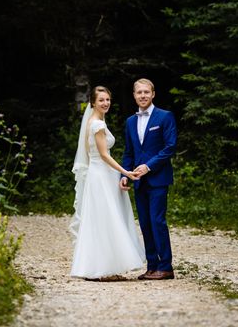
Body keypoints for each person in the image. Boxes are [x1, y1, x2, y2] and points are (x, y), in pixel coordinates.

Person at [70, 86, 145, 280]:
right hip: (102, 174)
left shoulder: (92, 121)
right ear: (93, 102)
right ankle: (102, 270)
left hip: (98, 174)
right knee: (107, 218)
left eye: (108, 100)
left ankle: (100, 268)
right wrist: (125, 171)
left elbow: (91, 154)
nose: (105, 103)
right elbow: (103, 154)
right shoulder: (97, 125)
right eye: (101, 100)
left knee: (101, 219)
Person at [121, 78, 177, 280]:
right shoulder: (130, 122)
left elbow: (169, 147)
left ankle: (166, 266)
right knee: (144, 222)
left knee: (157, 221)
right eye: (139, 92)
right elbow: (129, 151)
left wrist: (148, 166)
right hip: (138, 180)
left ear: (153, 94)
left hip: (158, 178)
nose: (143, 96)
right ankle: (152, 266)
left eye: (146, 92)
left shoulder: (165, 117)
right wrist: (124, 174)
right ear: (134, 95)